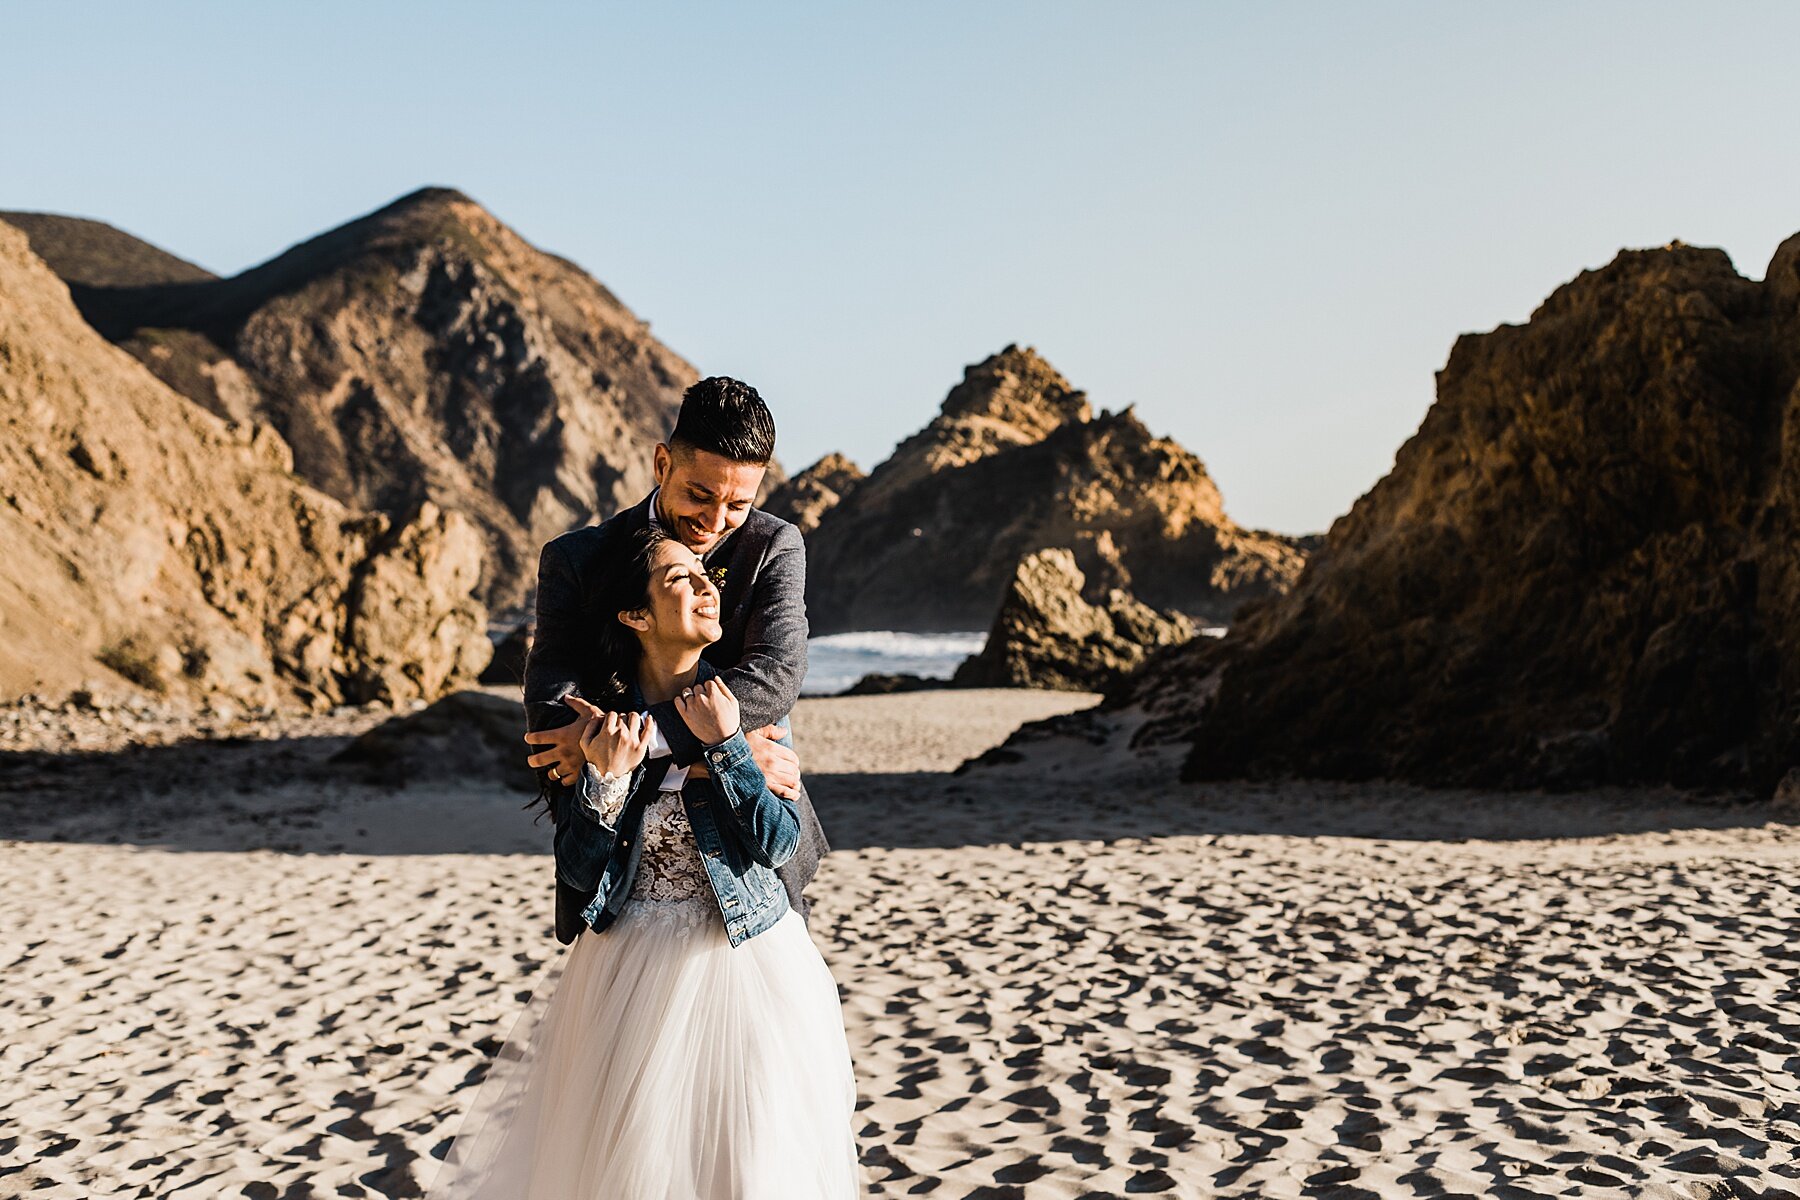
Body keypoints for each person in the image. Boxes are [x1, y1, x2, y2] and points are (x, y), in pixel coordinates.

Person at [425, 524, 861, 1198]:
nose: (707, 587)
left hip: (750, 968)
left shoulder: (747, 710)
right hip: (627, 973)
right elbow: (577, 871)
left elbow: (780, 844)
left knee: (749, 1171)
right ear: (635, 614)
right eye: (680, 578)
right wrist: (604, 779)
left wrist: (726, 750)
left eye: (706, 575)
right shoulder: (595, 730)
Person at [519, 376, 829, 943]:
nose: (715, 522)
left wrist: (644, 743)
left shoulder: (774, 547)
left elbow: (774, 678)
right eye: (700, 494)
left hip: (751, 868)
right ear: (662, 463)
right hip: (623, 874)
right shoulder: (577, 560)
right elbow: (550, 719)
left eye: (739, 503)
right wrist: (730, 751)